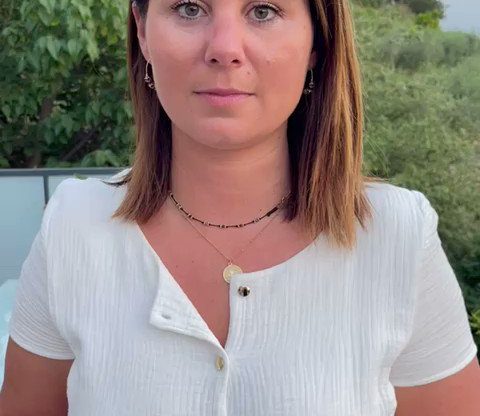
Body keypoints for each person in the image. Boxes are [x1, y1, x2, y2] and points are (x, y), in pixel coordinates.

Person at [1, 0, 479, 415]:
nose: (224, 48)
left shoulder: (398, 237)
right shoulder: (73, 227)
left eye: (263, 11)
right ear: (142, 32)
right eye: (189, 8)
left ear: (317, 42)